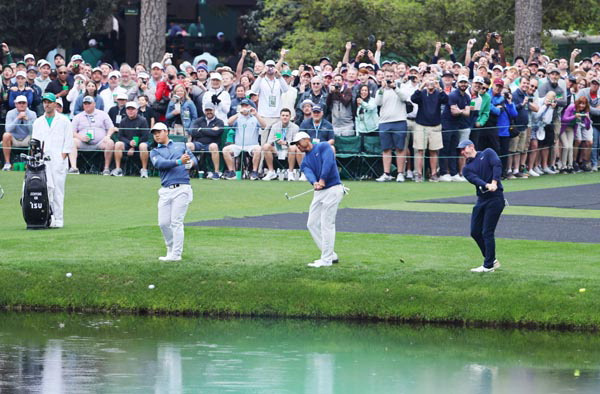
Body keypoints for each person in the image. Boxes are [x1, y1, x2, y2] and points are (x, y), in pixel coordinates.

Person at [291, 131, 344, 268]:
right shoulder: (304, 162)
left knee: (327, 224)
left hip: (333, 189)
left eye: (299, 142)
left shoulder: (323, 146)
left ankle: (326, 260)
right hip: (319, 192)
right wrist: (315, 182)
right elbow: (308, 173)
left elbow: (328, 162)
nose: (298, 146)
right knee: (312, 223)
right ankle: (330, 255)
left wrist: (322, 179)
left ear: (306, 139)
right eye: (295, 144)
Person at [150, 122, 197, 262]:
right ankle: (170, 249)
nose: (156, 135)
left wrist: (190, 163)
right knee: (163, 223)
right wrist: (179, 162)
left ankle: (176, 254)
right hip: (165, 190)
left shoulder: (180, 146)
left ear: (166, 132)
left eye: (159, 132)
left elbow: (193, 158)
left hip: (182, 187)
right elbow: (159, 164)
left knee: (176, 222)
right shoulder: (155, 151)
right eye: (154, 133)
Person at [458, 139, 504, 273]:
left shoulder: (488, 153)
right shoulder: (466, 169)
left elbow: (497, 165)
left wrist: (494, 182)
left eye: (464, 148)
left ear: (471, 147)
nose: (462, 152)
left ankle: (488, 266)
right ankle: (491, 260)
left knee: (487, 232)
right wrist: (487, 185)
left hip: (495, 199)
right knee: (475, 231)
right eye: (461, 150)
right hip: (482, 199)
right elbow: (475, 179)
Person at [31, 92, 73, 228]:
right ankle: (46, 218)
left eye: (49, 102)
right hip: (42, 160)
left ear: (55, 104)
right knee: (45, 189)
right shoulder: (38, 122)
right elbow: (34, 142)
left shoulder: (64, 121)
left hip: (57, 160)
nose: (47, 104)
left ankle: (58, 219)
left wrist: (62, 158)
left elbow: (68, 142)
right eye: (45, 102)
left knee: (58, 190)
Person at [410, 76, 448, 182]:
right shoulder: (421, 93)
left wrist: (439, 88)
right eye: (429, 80)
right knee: (419, 150)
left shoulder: (438, 93)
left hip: (435, 125)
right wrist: (421, 86)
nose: (431, 83)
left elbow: (446, 100)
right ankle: (418, 174)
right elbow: (413, 98)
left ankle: (434, 173)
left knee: (434, 151)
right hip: (421, 125)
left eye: (433, 80)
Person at [68, 96, 117, 175]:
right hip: (83, 142)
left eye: (89, 103)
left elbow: (111, 128)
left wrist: (107, 136)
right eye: (85, 104)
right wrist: (81, 137)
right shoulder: (78, 117)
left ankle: (106, 169)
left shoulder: (103, 114)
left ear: (94, 104)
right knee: (72, 141)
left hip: (100, 143)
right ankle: (74, 168)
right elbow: (71, 132)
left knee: (110, 142)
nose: (87, 105)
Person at [222, 99, 266, 180]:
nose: (244, 107)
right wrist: (239, 113)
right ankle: (232, 172)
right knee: (225, 150)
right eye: (243, 106)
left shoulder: (255, 117)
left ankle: (254, 172)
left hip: (252, 145)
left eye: (246, 106)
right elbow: (229, 122)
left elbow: (264, 125)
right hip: (238, 145)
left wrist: (256, 114)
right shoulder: (238, 117)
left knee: (258, 149)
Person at [187, 102, 225, 180]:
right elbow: (193, 132)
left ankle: (216, 172)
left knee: (214, 146)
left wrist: (201, 130)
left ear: (214, 110)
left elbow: (216, 133)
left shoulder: (219, 122)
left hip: (211, 144)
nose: (209, 112)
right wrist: (210, 131)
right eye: (207, 110)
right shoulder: (199, 120)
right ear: (204, 111)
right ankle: (187, 172)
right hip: (198, 143)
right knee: (188, 146)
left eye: (210, 110)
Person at [261, 107, 301, 180]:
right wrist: (276, 142)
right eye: (283, 115)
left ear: (290, 117)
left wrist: (286, 143)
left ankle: (290, 173)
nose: (285, 117)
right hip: (277, 149)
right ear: (280, 117)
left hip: (289, 149)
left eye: (286, 115)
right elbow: (269, 141)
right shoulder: (275, 126)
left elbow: (296, 142)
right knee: (266, 146)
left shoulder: (295, 127)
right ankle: (271, 172)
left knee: (293, 148)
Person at [114, 101, 150, 177]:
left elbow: (145, 136)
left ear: (137, 110)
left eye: (132, 109)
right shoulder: (123, 121)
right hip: (127, 144)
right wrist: (129, 143)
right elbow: (120, 136)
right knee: (118, 144)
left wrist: (133, 147)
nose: (130, 111)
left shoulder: (143, 120)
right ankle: (118, 169)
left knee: (143, 146)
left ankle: (144, 170)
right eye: (128, 109)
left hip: (140, 143)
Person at [2, 95, 37, 170]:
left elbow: (33, 131)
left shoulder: (32, 114)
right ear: (16, 104)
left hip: (27, 138)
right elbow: (8, 129)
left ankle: (31, 162)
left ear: (27, 104)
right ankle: (7, 163)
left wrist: (27, 120)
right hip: (14, 138)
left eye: (23, 103)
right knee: (6, 135)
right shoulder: (10, 113)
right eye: (19, 103)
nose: (22, 105)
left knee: (35, 137)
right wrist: (17, 118)